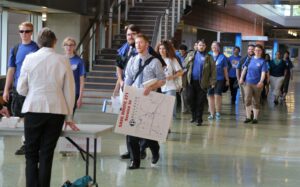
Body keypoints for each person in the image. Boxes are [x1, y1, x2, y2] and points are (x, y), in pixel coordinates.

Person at [17, 27, 79, 187]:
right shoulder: (63, 60)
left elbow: (20, 89)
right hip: (56, 110)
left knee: (31, 154)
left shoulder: (29, 58)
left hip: (33, 107)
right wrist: (69, 117)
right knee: (46, 153)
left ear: (38, 42)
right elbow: (70, 92)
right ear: (55, 42)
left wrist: (34, 90)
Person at [117, 24, 165, 160]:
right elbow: (128, 78)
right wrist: (126, 94)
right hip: (134, 98)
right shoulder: (132, 59)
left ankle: (154, 149)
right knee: (131, 129)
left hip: (150, 99)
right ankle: (135, 160)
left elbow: (162, 80)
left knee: (147, 131)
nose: (137, 45)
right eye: (136, 43)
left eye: (140, 42)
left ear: (147, 44)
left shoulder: (155, 61)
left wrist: (151, 87)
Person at [2, 21, 39, 155]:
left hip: (33, 89)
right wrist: (6, 90)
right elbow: (11, 70)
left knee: (31, 117)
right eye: (22, 31)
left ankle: (29, 143)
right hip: (18, 89)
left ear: (32, 32)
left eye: (27, 31)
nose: (24, 34)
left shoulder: (36, 49)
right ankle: (25, 143)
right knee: (20, 116)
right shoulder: (16, 48)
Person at [185, 39, 216, 126]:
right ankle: (193, 116)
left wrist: (213, 81)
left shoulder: (209, 57)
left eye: (203, 45)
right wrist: (189, 60)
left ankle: (199, 119)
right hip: (191, 81)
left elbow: (213, 70)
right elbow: (184, 65)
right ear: (197, 46)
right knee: (190, 99)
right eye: (200, 45)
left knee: (200, 101)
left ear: (205, 47)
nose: (201, 47)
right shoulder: (191, 54)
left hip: (202, 83)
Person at [239, 44, 267, 124]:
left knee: (256, 100)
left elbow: (263, 72)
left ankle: (255, 118)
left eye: (259, 50)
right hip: (248, 83)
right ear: (254, 51)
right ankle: (248, 117)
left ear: (261, 52)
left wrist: (261, 81)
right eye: (256, 50)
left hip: (257, 84)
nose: (257, 52)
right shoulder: (249, 59)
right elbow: (244, 69)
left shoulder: (263, 61)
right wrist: (241, 78)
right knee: (247, 99)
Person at [156, 40, 183, 119]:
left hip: (170, 87)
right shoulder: (156, 60)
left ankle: (172, 127)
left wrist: (171, 77)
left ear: (167, 49)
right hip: (157, 87)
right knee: (160, 110)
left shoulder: (172, 59)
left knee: (170, 109)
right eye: (160, 49)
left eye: (164, 48)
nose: (162, 50)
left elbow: (180, 72)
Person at [63, 37, 86, 113]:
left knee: (70, 115)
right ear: (64, 46)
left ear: (74, 46)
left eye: (71, 45)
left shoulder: (79, 61)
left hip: (74, 92)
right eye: (66, 45)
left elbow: (82, 81)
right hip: (61, 92)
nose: (69, 47)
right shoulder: (60, 60)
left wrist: (80, 97)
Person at [207, 41, 229, 120]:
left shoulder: (222, 57)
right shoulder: (208, 55)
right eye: (213, 46)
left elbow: (225, 69)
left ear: (219, 47)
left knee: (217, 95)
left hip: (220, 79)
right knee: (210, 96)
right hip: (209, 80)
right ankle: (211, 113)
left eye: (216, 46)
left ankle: (218, 112)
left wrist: (227, 79)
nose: (214, 47)